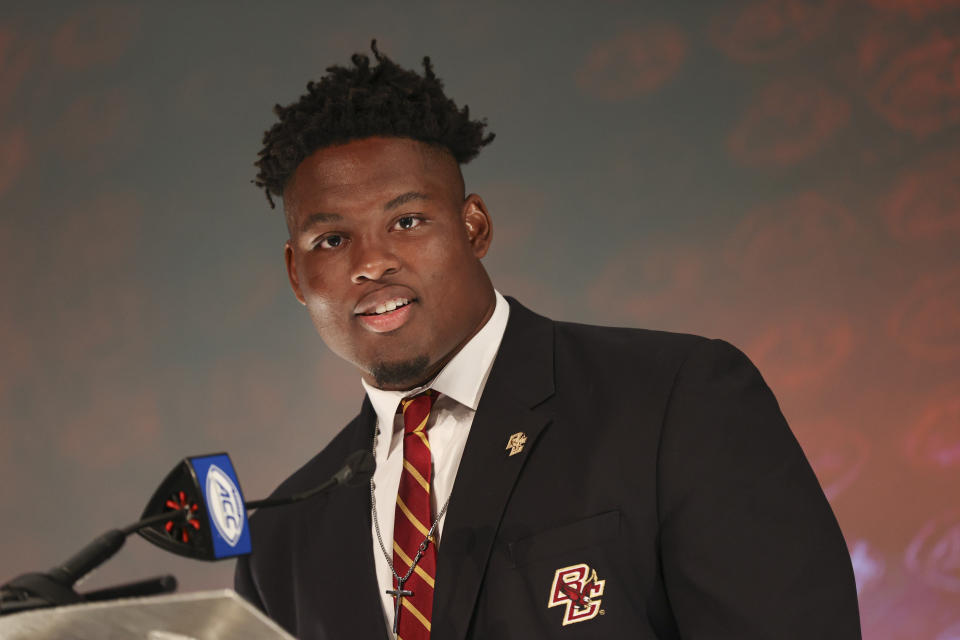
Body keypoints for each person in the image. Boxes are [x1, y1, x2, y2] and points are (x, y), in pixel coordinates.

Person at [234, 42, 861, 640]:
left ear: (473, 226)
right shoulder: (282, 540)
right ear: (297, 272)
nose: (372, 263)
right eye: (332, 241)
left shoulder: (675, 398)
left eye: (408, 221)